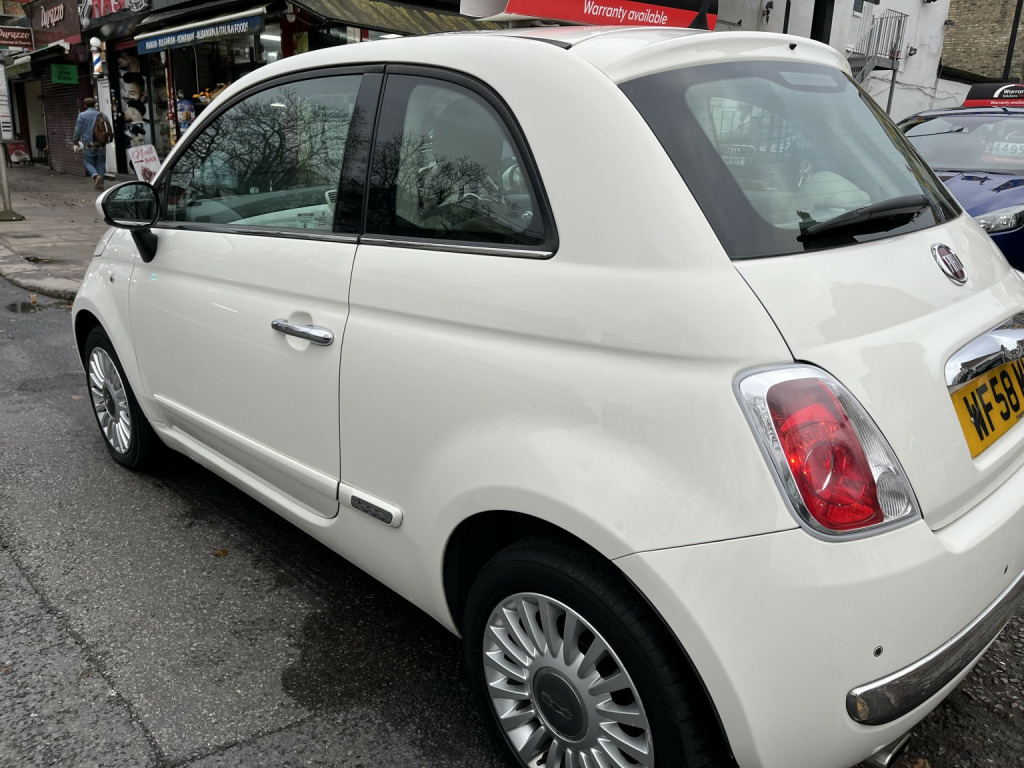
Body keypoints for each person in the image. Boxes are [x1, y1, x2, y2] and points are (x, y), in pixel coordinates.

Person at [72, 97, 109, 190]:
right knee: (101, 163)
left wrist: (75, 141)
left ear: (85, 105)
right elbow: (108, 128)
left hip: (88, 144)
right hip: (101, 143)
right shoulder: (102, 115)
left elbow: (78, 130)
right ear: (94, 104)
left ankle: (95, 176)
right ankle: (100, 184)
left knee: (87, 162)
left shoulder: (82, 115)